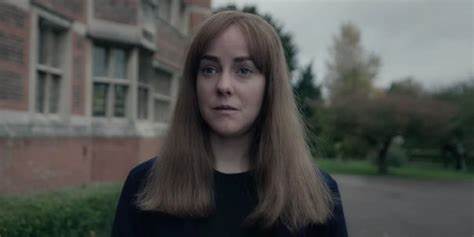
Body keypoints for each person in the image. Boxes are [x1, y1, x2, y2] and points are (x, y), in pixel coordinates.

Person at [112, 10, 347, 237]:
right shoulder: (144, 185)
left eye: (243, 70)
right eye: (209, 69)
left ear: (270, 86)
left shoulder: (317, 194)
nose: (223, 85)